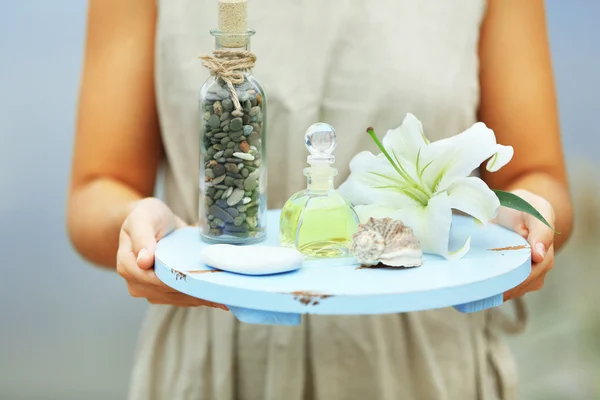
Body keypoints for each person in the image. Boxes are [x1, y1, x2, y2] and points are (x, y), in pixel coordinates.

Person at [67, 0, 574, 399]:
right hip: (214, 362)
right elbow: (98, 188)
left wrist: (524, 214)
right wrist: (135, 224)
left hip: (424, 365)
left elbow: (537, 176)